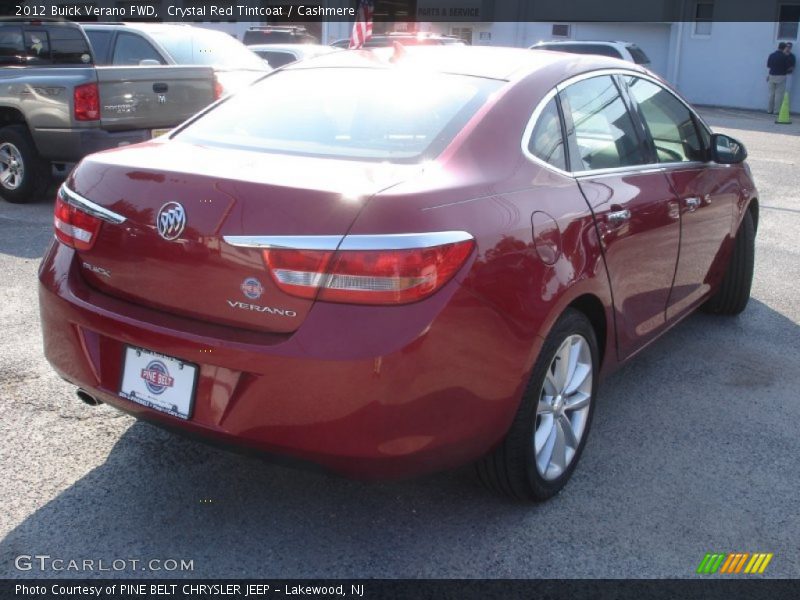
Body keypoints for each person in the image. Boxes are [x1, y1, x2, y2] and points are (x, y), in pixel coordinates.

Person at [767, 42, 790, 114]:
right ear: (784, 48)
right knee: (779, 94)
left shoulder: (771, 55)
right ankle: (776, 111)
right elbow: (788, 67)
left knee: (771, 94)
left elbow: (768, 65)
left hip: (771, 75)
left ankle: (769, 110)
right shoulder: (785, 56)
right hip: (781, 76)